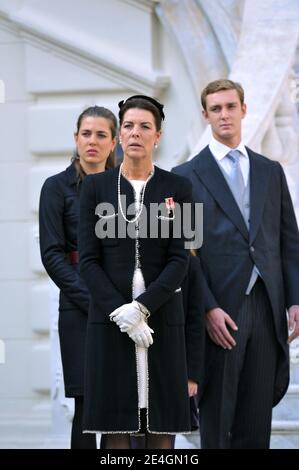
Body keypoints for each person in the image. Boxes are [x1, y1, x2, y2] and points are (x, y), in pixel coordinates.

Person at [173, 79, 299, 449]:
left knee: (256, 423)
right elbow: (185, 254)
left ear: (244, 109)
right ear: (205, 115)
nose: (224, 114)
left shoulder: (270, 171)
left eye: (230, 106)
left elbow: (289, 241)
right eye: (216, 109)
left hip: (267, 306)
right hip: (220, 313)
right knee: (217, 423)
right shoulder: (184, 178)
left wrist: (294, 300)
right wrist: (208, 307)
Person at [78, 95, 195, 449]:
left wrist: (141, 307)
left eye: (145, 127)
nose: (135, 133)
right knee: (115, 424)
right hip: (111, 320)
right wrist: (122, 313)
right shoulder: (94, 188)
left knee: (162, 424)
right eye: (128, 126)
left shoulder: (182, 187)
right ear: (119, 135)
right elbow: (87, 261)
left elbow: (183, 258)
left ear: (157, 135)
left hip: (162, 315)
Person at [39, 105, 117, 449]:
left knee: (122, 407)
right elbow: (52, 255)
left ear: (113, 142)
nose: (92, 141)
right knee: (86, 406)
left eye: (101, 135)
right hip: (79, 310)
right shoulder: (55, 188)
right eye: (86, 134)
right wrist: (98, 302)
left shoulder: (126, 187)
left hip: (124, 310)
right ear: (76, 138)